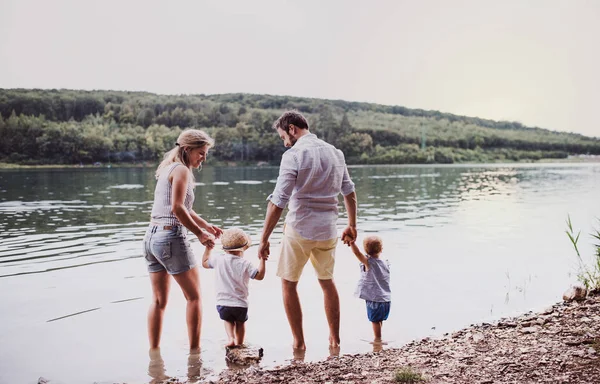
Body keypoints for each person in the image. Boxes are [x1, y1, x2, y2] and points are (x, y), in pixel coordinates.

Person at [258, 110, 358, 352]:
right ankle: (334, 340)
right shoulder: (336, 152)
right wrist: (352, 225)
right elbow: (350, 193)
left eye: (283, 136)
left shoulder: (293, 155)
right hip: (327, 230)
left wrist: (263, 238)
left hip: (299, 229)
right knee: (327, 282)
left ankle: (299, 342)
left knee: (288, 284)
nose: (284, 142)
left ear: (292, 129)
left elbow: (278, 201)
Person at [142, 129, 223, 353]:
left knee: (158, 301)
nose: (203, 158)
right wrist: (199, 234)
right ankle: (195, 355)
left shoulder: (168, 168)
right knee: (194, 297)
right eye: (201, 153)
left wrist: (206, 225)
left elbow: (182, 207)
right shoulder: (181, 170)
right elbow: (177, 209)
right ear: (187, 149)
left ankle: (154, 355)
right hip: (170, 237)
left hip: (151, 239)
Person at [202, 227, 266, 347]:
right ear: (243, 249)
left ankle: (231, 339)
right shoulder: (245, 264)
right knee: (240, 323)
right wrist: (263, 259)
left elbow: (205, 262)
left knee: (228, 321)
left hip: (223, 303)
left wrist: (208, 249)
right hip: (240, 304)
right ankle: (240, 344)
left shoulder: (218, 259)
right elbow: (259, 276)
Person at [349, 235, 391, 344]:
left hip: (375, 298)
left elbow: (357, 254)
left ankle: (378, 339)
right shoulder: (385, 262)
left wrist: (352, 244)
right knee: (379, 320)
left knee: (375, 320)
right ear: (381, 249)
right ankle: (379, 336)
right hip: (386, 298)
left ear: (365, 250)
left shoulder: (369, 263)